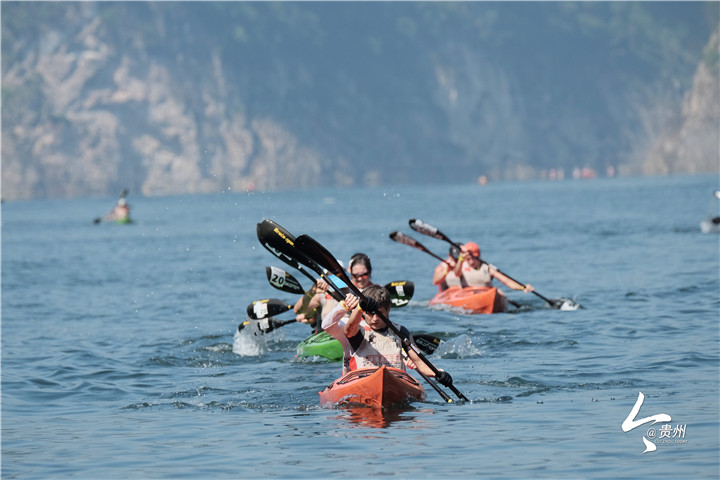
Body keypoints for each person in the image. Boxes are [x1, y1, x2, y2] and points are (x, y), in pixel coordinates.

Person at [337, 285, 452, 386]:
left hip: (395, 382)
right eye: (371, 313)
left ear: (388, 309)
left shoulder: (400, 332)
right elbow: (349, 329)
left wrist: (438, 373)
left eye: (379, 313)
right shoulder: (359, 329)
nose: (375, 318)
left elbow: (418, 362)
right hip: (361, 382)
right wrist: (359, 308)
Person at [435, 241, 534, 310]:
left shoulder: (487, 268)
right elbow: (457, 273)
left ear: (479, 256)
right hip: (468, 294)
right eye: (468, 259)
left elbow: (507, 282)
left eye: (474, 258)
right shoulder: (461, 264)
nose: (471, 262)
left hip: (486, 293)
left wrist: (522, 287)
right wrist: (461, 259)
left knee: (500, 293)